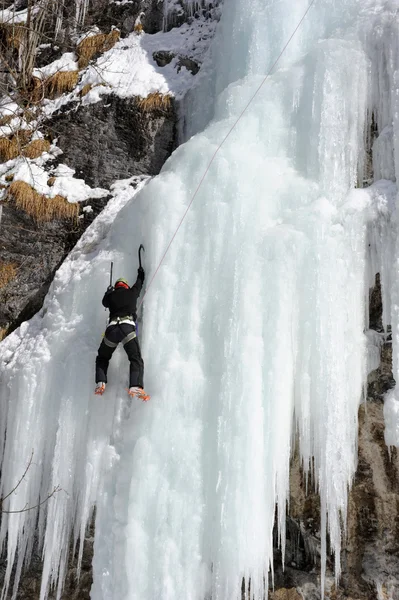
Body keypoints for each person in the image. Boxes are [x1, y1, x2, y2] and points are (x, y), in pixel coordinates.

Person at [95, 267, 150, 401]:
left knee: (102, 358)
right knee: (135, 358)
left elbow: (104, 302)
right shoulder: (132, 292)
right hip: (127, 329)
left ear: (116, 287)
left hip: (112, 330)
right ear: (126, 286)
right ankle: (135, 385)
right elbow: (139, 283)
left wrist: (108, 292)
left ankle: (101, 383)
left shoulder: (111, 296)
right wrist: (140, 273)